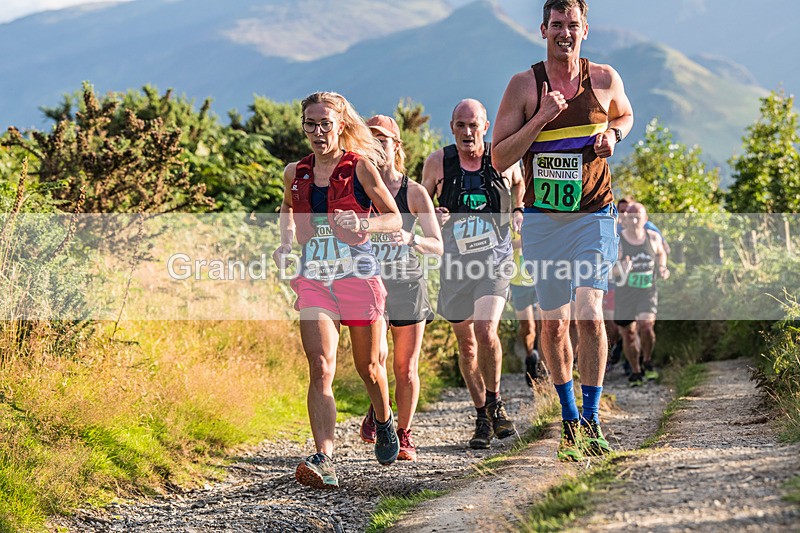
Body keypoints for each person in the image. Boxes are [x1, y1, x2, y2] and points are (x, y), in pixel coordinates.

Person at [491, 0, 634, 461]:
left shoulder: (604, 79)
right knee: (554, 326)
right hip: (543, 222)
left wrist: (613, 136)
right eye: (557, 25)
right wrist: (540, 118)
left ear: (585, 30)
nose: (564, 33)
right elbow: (499, 157)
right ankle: (569, 420)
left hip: (594, 214)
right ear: (543, 29)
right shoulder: (523, 86)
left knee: (589, 314)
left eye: (573, 25)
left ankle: (591, 419)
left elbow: (625, 115)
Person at [272, 92, 403, 489]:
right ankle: (324, 458)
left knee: (370, 369)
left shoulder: (360, 167)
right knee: (321, 365)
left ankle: (384, 420)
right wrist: (285, 242)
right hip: (315, 279)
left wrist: (365, 224)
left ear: (340, 125)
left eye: (325, 124)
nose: (317, 132)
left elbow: (394, 219)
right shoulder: (295, 172)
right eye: (310, 124)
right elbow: (287, 210)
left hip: (358, 278)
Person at [421, 98, 525, 449]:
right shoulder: (438, 162)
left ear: (486, 126)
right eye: (461, 125)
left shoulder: (502, 157)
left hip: (494, 260)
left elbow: (520, 184)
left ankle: (495, 402)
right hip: (455, 264)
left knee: (485, 329)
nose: (468, 132)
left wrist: (518, 209)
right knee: (467, 347)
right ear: (452, 128)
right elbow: (420, 206)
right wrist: (435, 217)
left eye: (474, 125)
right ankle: (482, 416)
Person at [357, 115, 443, 462]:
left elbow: (437, 245)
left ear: (397, 146)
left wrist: (411, 238)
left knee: (405, 367)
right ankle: (381, 410)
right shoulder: (358, 188)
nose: (377, 147)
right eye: (370, 140)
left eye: (383, 140)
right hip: (369, 284)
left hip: (407, 284)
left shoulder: (414, 192)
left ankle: (403, 433)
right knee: (375, 359)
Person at [613, 202, 669, 385]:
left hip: (647, 291)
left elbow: (661, 253)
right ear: (625, 220)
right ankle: (636, 371)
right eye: (631, 217)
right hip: (625, 293)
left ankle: (647, 360)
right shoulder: (618, 241)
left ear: (645, 219)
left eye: (638, 217)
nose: (635, 221)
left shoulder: (653, 237)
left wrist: (662, 267)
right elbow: (609, 271)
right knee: (628, 334)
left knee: (646, 326)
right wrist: (622, 269)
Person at [509, 227, 543, 387]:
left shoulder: (541, 215)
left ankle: (544, 367)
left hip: (541, 278)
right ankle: (531, 358)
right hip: (518, 281)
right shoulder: (510, 220)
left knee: (546, 324)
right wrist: (520, 243)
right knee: (528, 326)